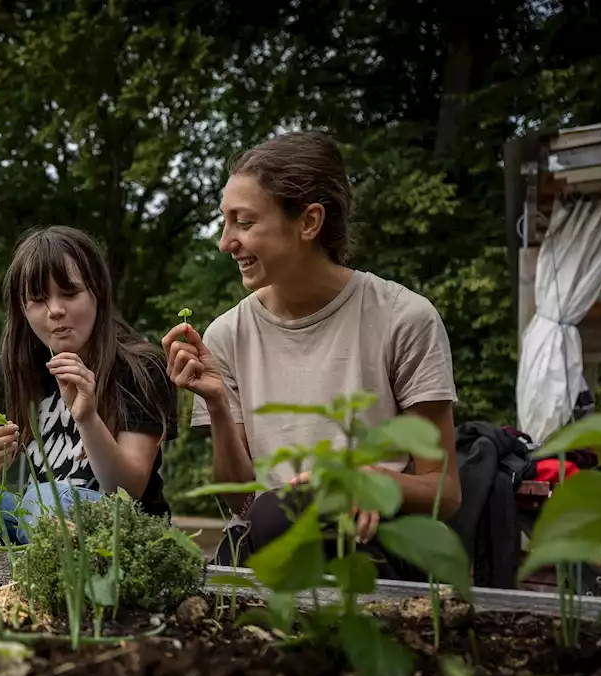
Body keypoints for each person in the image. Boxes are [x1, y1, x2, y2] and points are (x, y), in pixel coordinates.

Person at [161, 130, 462, 579]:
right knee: (271, 515)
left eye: (243, 222)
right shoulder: (226, 334)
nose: (225, 242)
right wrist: (218, 404)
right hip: (264, 543)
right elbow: (243, 503)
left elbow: (444, 491)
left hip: (373, 548)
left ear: (309, 222)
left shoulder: (404, 318)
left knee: (282, 515)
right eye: (225, 222)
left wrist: (362, 483)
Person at [0, 225, 178, 545]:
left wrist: (87, 418)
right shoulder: (16, 368)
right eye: (39, 299)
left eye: (69, 293)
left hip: (122, 527)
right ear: (23, 308)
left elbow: (129, 489)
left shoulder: (141, 368)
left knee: (46, 499)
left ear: (97, 292)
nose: (56, 310)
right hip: (36, 515)